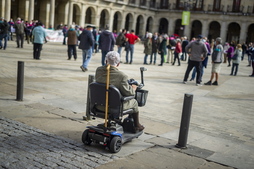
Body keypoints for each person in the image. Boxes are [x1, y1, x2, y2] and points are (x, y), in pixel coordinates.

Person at [95, 51, 144, 131]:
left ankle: (114, 122)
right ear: (118, 64)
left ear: (106, 61)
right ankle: (137, 125)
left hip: (98, 105)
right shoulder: (122, 76)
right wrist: (133, 88)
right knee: (134, 102)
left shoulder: (99, 70)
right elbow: (129, 93)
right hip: (113, 108)